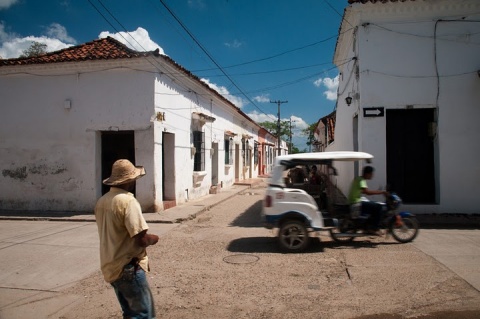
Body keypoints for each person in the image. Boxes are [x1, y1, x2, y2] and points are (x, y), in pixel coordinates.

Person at [94, 159, 159, 319]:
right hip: (128, 266)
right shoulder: (128, 201)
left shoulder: (102, 201)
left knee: (130, 313)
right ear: (130, 180)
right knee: (143, 315)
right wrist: (154, 238)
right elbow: (141, 239)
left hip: (111, 266)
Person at [348, 166, 387, 235]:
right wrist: (381, 192)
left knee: (373, 205)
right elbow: (367, 192)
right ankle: (374, 228)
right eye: (371, 174)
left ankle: (367, 227)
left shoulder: (358, 178)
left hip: (354, 201)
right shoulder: (362, 180)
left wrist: (377, 191)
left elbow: (362, 191)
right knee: (378, 207)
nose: (372, 175)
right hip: (356, 202)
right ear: (367, 174)